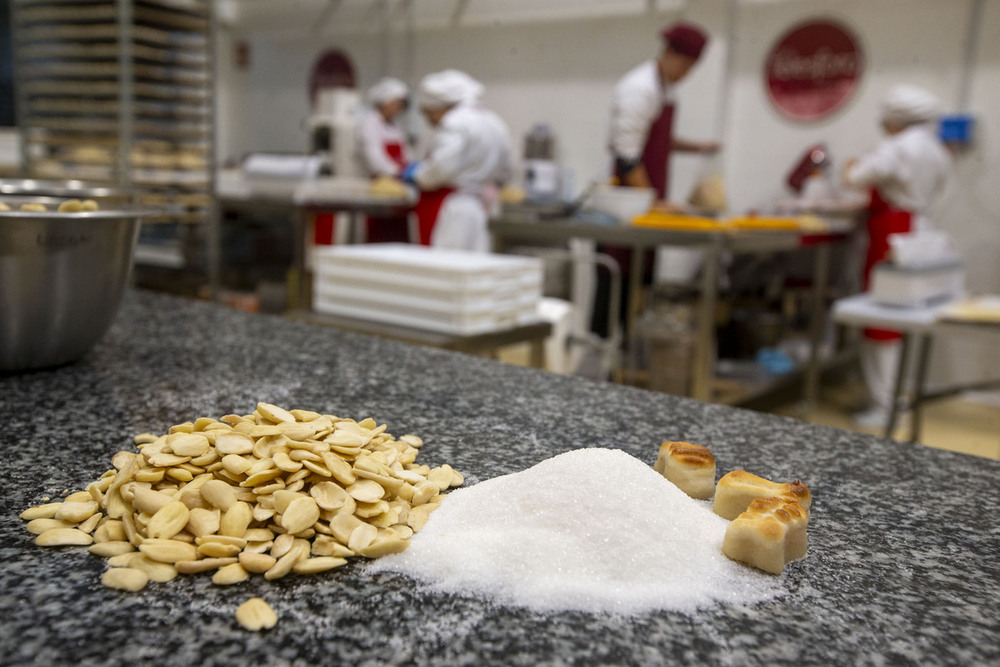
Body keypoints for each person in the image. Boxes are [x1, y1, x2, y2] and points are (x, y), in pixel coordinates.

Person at [843, 83, 952, 429]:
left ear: (895, 119)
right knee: (902, 320)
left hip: (891, 234)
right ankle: (896, 396)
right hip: (920, 233)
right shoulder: (937, 149)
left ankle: (884, 405)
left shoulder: (897, 147)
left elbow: (856, 178)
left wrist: (850, 165)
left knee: (881, 321)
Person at [401, 69, 514, 252]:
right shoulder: (493, 121)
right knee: (474, 269)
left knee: (444, 270)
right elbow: (507, 169)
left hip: (452, 210)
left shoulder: (454, 122)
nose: (428, 119)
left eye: (428, 113)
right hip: (483, 207)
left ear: (439, 106)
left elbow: (441, 168)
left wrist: (418, 175)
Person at [609, 21, 720, 206]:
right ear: (669, 53)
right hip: (626, 200)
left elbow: (658, 141)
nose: (687, 74)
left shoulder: (666, 88)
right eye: (685, 66)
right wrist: (653, 204)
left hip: (649, 195)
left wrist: (698, 147)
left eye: (692, 68)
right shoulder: (641, 88)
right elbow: (626, 156)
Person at [354, 77, 412, 243]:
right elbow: (374, 158)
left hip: (397, 187)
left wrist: (411, 166)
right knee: (377, 236)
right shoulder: (369, 124)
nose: (399, 108)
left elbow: (406, 152)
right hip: (377, 189)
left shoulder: (395, 126)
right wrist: (399, 171)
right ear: (384, 102)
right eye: (396, 103)